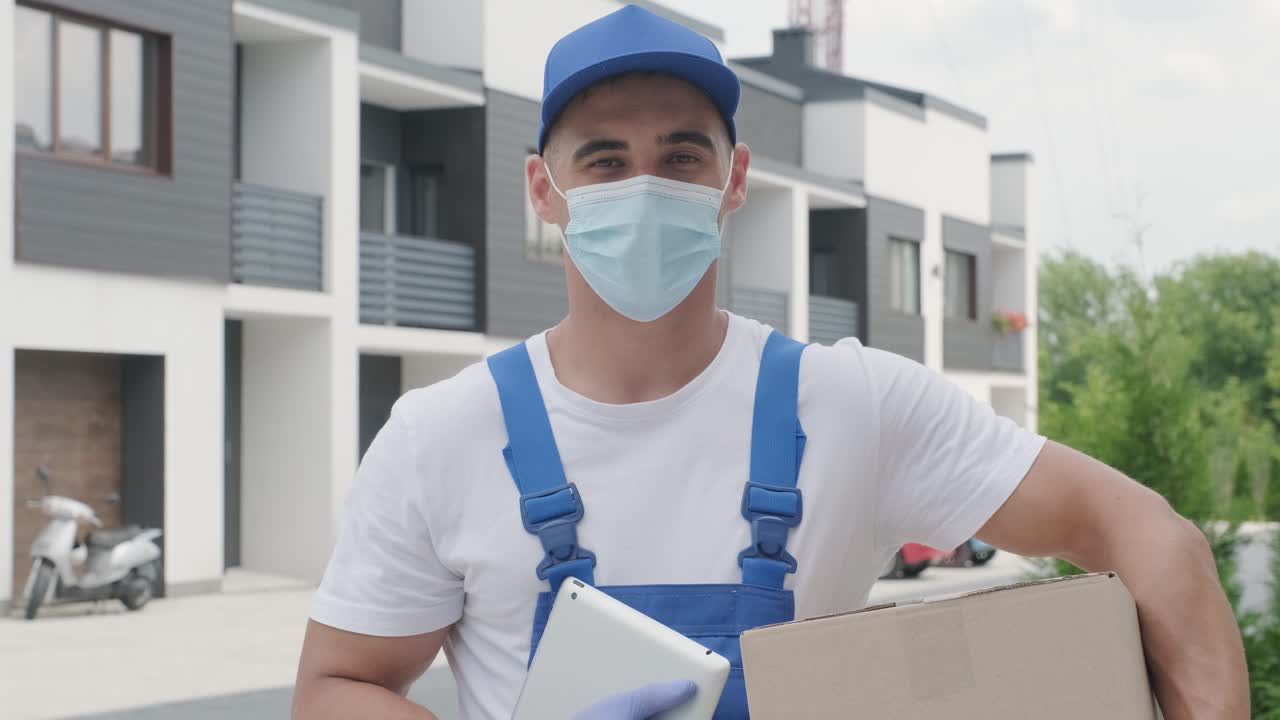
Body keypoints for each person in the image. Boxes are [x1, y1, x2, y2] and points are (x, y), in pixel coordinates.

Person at [292, 5, 1248, 719]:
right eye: (606, 162)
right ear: (546, 189)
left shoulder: (852, 404)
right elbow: (336, 687)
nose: (646, 186)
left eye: (680, 157)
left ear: (733, 180)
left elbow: (1152, 539)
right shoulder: (444, 435)